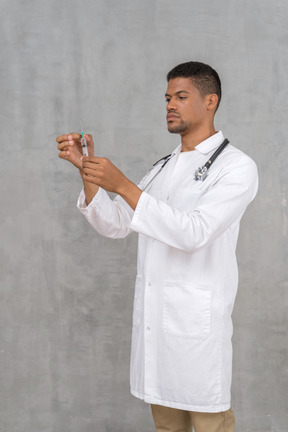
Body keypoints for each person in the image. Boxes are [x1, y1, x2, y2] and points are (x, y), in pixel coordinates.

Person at [56, 61, 258, 432]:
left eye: (181, 97)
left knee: (212, 425)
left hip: (197, 333)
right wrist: (88, 172)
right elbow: (115, 224)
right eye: (167, 97)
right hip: (159, 336)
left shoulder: (236, 167)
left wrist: (122, 184)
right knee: (166, 428)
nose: (170, 104)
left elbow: (193, 233)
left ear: (210, 101)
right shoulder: (164, 167)